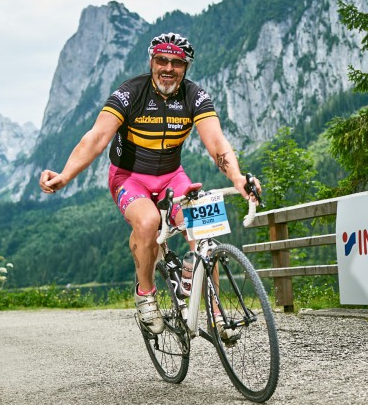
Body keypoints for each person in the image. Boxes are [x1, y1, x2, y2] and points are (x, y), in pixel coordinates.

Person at [39, 32, 260, 335]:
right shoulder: (130, 92)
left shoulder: (195, 96)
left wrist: (238, 178)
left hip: (172, 176)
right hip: (129, 177)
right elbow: (97, 137)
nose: (168, 68)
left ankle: (215, 309)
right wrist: (65, 176)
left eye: (176, 63)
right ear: (151, 61)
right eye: (161, 60)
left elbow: (217, 143)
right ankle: (146, 294)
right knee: (148, 222)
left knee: (204, 226)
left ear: (186, 67)